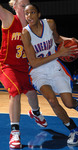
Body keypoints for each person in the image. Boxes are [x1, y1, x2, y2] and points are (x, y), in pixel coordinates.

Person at [21, 3, 78, 145]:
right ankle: (73, 129)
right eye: (26, 14)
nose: (29, 16)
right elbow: (33, 62)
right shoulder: (25, 33)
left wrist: (70, 39)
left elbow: (57, 39)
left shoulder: (50, 24)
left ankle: (76, 104)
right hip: (38, 71)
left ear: (39, 14)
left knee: (68, 103)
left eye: (32, 12)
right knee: (52, 100)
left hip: (54, 67)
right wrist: (58, 53)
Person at [0, 1, 48, 149]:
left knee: (32, 93)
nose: (26, 8)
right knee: (15, 93)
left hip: (23, 67)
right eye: (22, 5)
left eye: (28, 5)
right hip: (7, 67)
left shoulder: (32, 26)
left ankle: (35, 112)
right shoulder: (9, 18)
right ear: (14, 7)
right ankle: (15, 133)